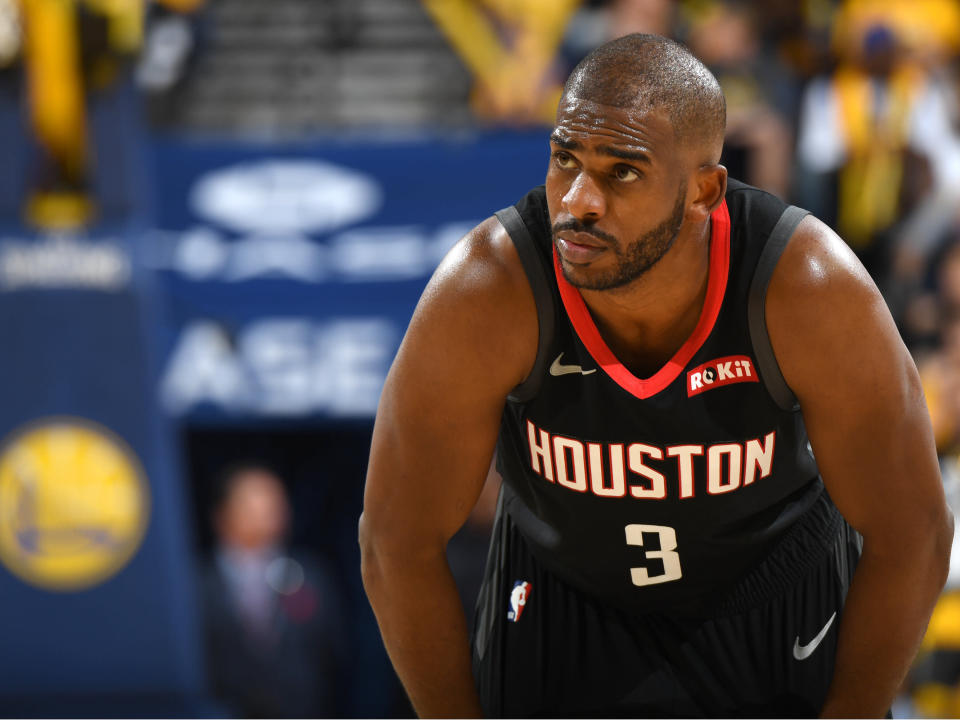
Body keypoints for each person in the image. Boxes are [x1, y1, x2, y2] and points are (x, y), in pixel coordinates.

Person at [359, 33, 954, 717]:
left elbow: (914, 531)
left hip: (772, 598)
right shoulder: (490, 289)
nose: (578, 199)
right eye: (565, 159)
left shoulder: (805, 285)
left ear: (704, 190)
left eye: (623, 172)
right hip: (563, 599)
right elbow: (393, 542)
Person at [201, 462, 345, 718]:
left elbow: (331, 653)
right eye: (253, 503)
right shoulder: (195, 584)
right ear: (222, 514)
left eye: (274, 503)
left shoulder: (310, 576)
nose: (266, 513)